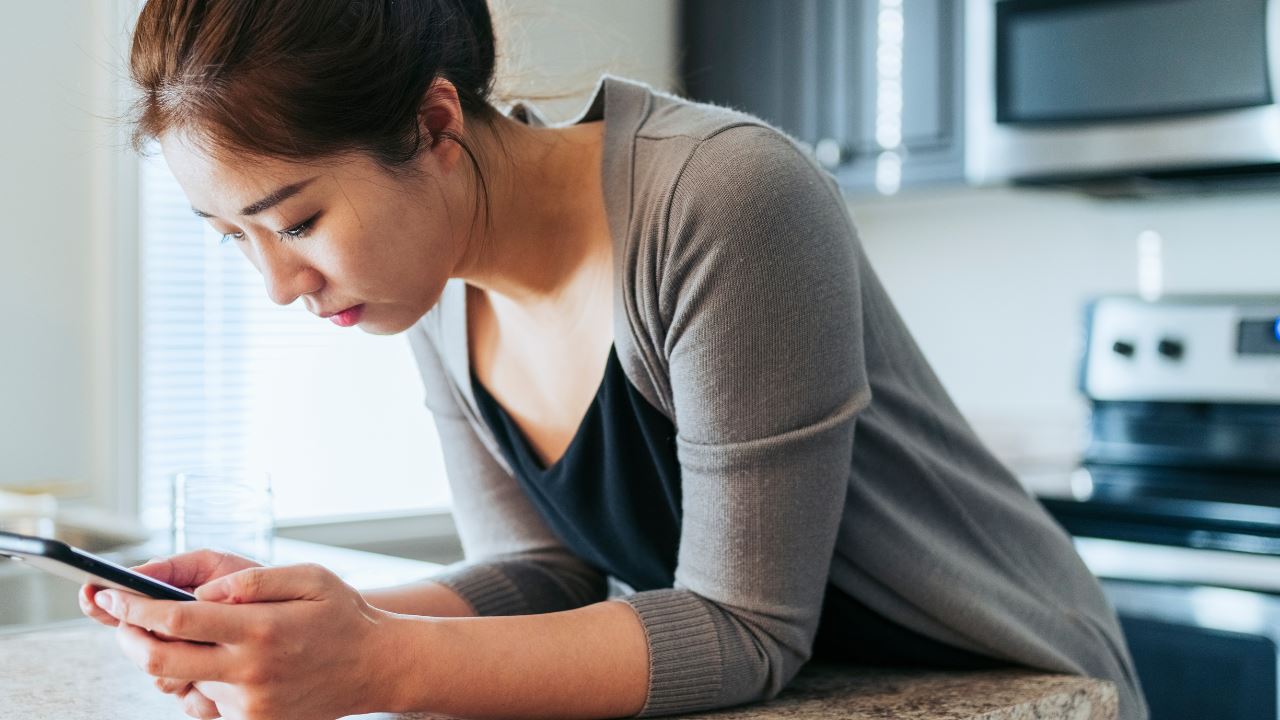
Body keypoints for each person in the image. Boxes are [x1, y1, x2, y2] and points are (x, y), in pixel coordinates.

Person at [79, 1, 1148, 719]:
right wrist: (303, 623)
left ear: (434, 123)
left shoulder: (723, 198)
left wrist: (371, 660)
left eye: (297, 220)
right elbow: (546, 579)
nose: (277, 286)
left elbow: (745, 631)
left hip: (1007, 684)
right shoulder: (436, 293)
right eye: (236, 241)